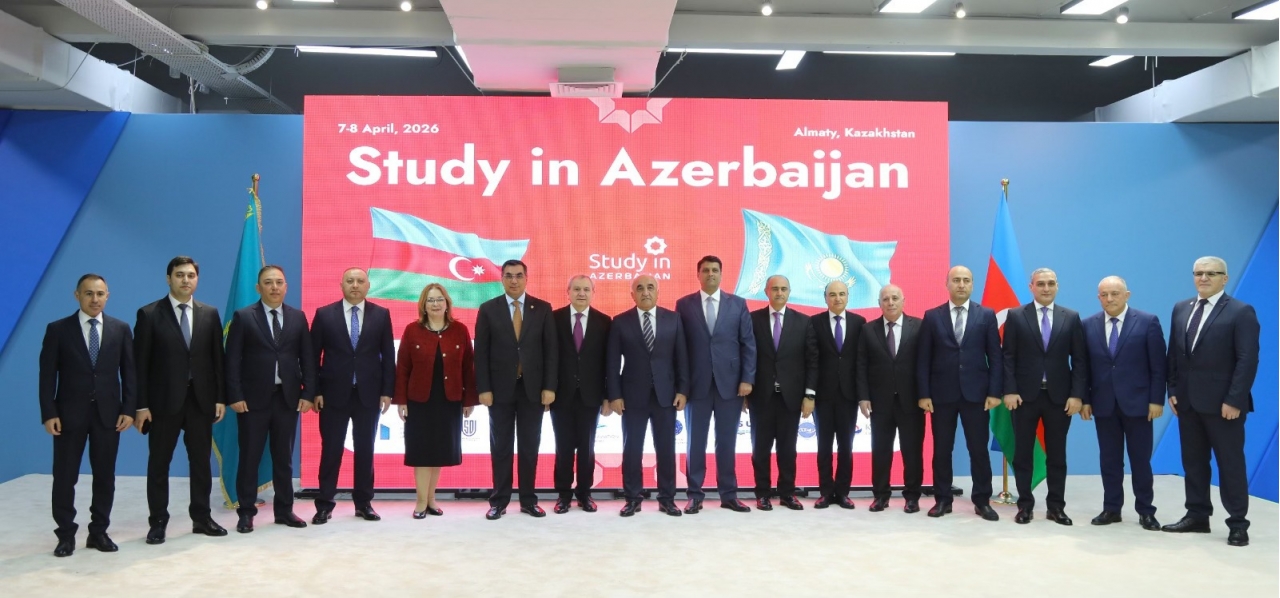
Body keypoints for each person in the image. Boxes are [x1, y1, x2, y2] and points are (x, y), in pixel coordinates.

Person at [1163, 256, 1259, 547]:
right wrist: (1172, 390)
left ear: (1224, 279)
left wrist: (1234, 399)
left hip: (1224, 406)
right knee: (1193, 463)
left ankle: (1238, 523)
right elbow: (1174, 354)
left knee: (1230, 465)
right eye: (1199, 273)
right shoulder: (1181, 308)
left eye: (1211, 273)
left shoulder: (1241, 311)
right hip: (1187, 403)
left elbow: (1247, 360)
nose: (1204, 278)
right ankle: (1197, 515)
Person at [133, 256, 228, 544]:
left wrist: (220, 398)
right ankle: (158, 522)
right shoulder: (149, 314)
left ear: (196, 279)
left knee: (200, 462)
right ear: (168, 278)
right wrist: (141, 405)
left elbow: (217, 360)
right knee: (159, 463)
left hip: (201, 401)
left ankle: (201, 518)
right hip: (163, 403)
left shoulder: (209, 313)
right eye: (179, 275)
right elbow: (140, 365)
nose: (186, 280)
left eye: (191, 275)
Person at [39, 274, 135, 557]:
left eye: (100, 294)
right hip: (68, 416)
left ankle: (99, 532)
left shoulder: (120, 329)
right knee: (65, 476)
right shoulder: (58, 329)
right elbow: (47, 376)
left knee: (105, 476)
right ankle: (65, 535)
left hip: (109, 415)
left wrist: (129, 409)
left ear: (107, 296)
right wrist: (49, 413)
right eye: (89, 293)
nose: (95, 299)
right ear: (77, 295)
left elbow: (130, 373)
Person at [224, 265, 317, 533]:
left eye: (279, 282)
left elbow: (307, 358)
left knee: (283, 459)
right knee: (249, 457)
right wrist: (235, 395)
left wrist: (308, 393)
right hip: (252, 401)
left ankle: (284, 510)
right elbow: (232, 360)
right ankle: (246, 512)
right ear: (258, 287)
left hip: (287, 399)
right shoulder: (244, 317)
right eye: (268, 282)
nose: (274, 287)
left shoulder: (298, 317)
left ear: (286, 287)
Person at [1001, 268, 1088, 526]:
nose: (1046, 288)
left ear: (1057, 286)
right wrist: (1010, 390)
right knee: (1022, 454)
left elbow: (1080, 360)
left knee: (1057, 455)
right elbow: (1008, 357)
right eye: (1041, 284)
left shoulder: (1071, 317)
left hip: (1060, 399)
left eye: (1051, 283)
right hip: (1024, 398)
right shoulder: (1016, 316)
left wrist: (1077, 395)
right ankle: (1025, 506)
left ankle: (1056, 507)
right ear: (1031, 287)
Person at [916, 265, 1003, 521]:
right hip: (941, 396)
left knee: (978, 450)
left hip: (977, 395)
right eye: (956, 280)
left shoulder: (986, 315)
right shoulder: (932, 316)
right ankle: (943, 499)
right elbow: (923, 359)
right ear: (947, 284)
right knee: (942, 450)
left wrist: (994, 392)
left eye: (966, 280)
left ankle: (982, 501)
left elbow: (995, 357)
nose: (961, 284)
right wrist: (924, 394)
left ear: (972, 284)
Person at [310, 267, 396, 524]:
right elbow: (312, 357)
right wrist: (314, 391)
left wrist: (387, 392)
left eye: (360, 281)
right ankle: (324, 504)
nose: (355, 285)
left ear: (368, 285)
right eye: (350, 281)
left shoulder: (381, 314)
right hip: (332, 395)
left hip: (369, 395)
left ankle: (364, 503)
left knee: (365, 450)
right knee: (331, 450)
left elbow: (388, 356)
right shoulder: (324, 314)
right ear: (341, 285)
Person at [474, 260, 558, 520]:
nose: (514, 280)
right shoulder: (488, 309)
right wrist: (483, 388)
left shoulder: (542, 308)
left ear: (526, 278)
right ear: (501, 278)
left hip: (532, 390)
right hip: (499, 390)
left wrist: (549, 387)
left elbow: (551, 351)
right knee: (501, 447)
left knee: (530, 446)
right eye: (509, 276)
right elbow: (481, 353)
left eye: (519, 275)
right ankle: (499, 501)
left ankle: (528, 500)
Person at [1082, 275, 1165, 530]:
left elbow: (1158, 365)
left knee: (1140, 461)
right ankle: (1112, 508)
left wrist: (1156, 400)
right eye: (1104, 295)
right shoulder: (1088, 325)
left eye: (1115, 294)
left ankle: (1146, 511)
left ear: (1127, 295)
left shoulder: (1148, 321)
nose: (1110, 299)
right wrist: (1085, 400)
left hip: (1139, 405)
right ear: (1098, 298)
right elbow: (1083, 367)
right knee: (1109, 461)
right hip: (1103, 404)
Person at [675, 256, 757, 514]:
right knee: (695, 443)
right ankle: (694, 495)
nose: (710, 274)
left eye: (715, 270)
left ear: (721, 274)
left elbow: (748, 344)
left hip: (730, 385)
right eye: (705, 270)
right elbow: (679, 348)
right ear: (698, 274)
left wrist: (747, 379)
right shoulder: (684, 304)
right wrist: (681, 386)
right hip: (696, 385)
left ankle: (729, 494)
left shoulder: (738, 304)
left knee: (727, 442)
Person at [608, 275, 689, 517]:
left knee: (666, 449)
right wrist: (614, 395)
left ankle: (667, 498)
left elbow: (682, 358)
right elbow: (612, 363)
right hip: (632, 397)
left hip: (666, 396)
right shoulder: (620, 322)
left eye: (650, 287)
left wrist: (683, 390)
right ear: (632, 294)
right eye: (640, 288)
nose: (645, 292)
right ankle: (632, 498)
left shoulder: (673, 319)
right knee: (632, 449)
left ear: (657, 292)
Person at [393, 283, 477, 518]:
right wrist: (401, 400)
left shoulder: (460, 330)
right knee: (422, 453)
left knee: (439, 451)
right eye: (430, 300)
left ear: (447, 303)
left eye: (440, 299)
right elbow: (403, 367)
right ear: (423, 305)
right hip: (419, 402)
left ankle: (431, 499)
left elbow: (468, 367)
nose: (436, 304)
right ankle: (420, 502)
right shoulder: (412, 330)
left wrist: (468, 400)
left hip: (449, 401)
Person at [747, 275, 817, 511]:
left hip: (791, 397)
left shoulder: (803, 322)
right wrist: (745, 390)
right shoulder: (752, 319)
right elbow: (746, 356)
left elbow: (812, 361)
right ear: (766, 292)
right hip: (761, 396)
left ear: (789, 292)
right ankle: (762, 493)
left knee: (788, 449)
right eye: (774, 289)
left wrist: (809, 395)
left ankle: (787, 493)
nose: (779, 293)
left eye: (783, 289)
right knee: (760, 449)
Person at [856, 283, 925, 513]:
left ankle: (912, 497)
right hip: (880, 402)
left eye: (895, 298)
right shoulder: (868, 330)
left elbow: (926, 363)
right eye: (885, 299)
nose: (891, 302)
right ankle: (881, 496)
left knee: (912, 452)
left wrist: (925, 395)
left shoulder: (919, 326)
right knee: (881, 451)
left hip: (912, 402)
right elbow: (861, 365)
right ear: (879, 304)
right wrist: (863, 397)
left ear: (904, 301)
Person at [550, 275, 612, 514]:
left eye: (586, 289)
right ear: (568, 292)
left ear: (593, 292)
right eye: (576, 289)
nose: (581, 293)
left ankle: (585, 494)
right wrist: (547, 390)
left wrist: (607, 396)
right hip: (561, 395)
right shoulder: (554, 319)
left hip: (591, 395)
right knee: (563, 447)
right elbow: (548, 358)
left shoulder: (604, 321)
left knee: (587, 448)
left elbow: (608, 363)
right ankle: (563, 495)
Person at [809, 280, 865, 509]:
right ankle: (825, 492)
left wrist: (863, 394)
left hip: (849, 395)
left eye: (842, 294)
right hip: (823, 395)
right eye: (832, 294)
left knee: (846, 446)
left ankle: (842, 492)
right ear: (825, 298)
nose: (837, 298)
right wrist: (810, 394)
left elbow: (861, 362)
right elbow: (811, 359)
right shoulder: (814, 322)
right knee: (824, 446)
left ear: (848, 296)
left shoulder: (859, 323)